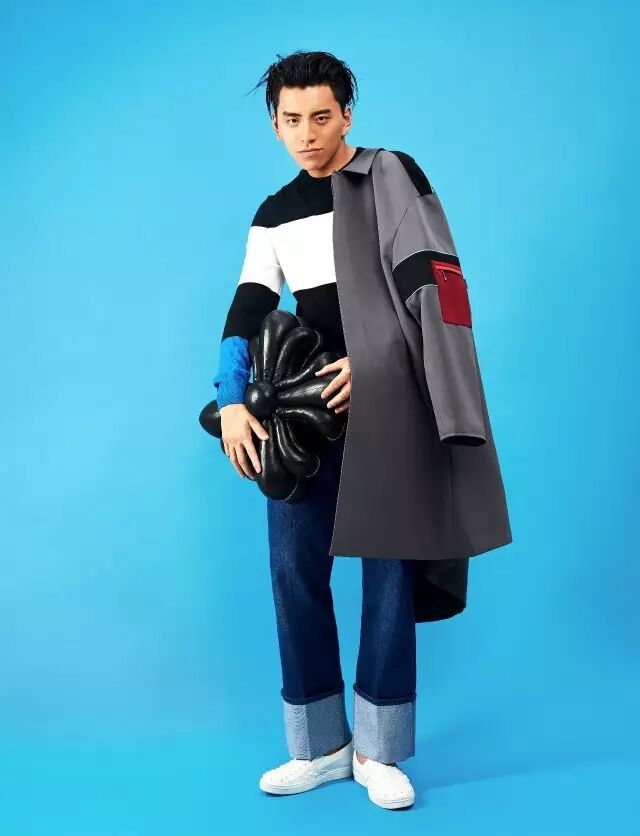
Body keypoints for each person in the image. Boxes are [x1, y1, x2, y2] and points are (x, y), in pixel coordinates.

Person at [212, 50, 511, 810]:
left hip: (389, 413)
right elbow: (249, 307)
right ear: (274, 125)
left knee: (388, 577)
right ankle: (320, 747)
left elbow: (434, 287)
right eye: (291, 120)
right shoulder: (273, 214)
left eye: (321, 116)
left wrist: (376, 367)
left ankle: (378, 751)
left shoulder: (389, 178)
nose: (307, 133)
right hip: (301, 418)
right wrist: (232, 398)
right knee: (293, 573)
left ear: (347, 114)